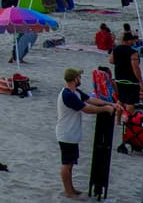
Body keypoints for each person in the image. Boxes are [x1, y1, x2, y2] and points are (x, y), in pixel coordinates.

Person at [56, 68, 116, 200]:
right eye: (79, 77)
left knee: (71, 163)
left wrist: (109, 103)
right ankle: (68, 191)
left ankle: (71, 189)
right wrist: (105, 109)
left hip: (71, 133)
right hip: (66, 133)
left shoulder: (75, 92)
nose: (80, 79)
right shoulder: (68, 95)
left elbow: (90, 100)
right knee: (67, 163)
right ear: (74, 79)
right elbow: (86, 109)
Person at [110, 31, 143, 102]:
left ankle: (119, 110)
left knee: (122, 100)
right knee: (130, 103)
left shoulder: (116, 49)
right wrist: (140, 81)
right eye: (132, 40)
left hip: (119, 78)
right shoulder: (133, 52)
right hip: (130, 80)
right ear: (129, 40)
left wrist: (121, 62)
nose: (133, 42)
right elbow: (136, 68)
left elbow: (111, 61)